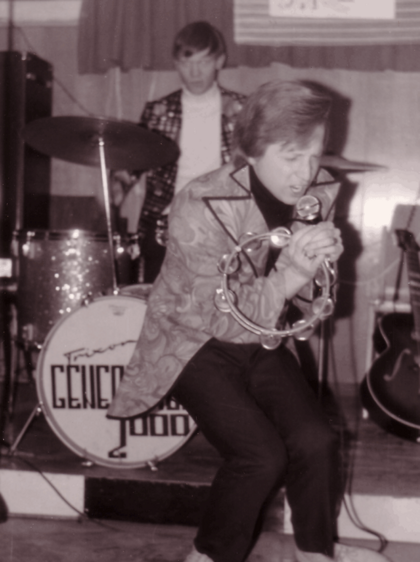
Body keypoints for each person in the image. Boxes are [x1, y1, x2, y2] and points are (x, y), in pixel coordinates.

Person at [108, 80, 390, 562]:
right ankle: (209, 555)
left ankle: (315, 552)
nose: (305, 173)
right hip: (191, 341)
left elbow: (309, 304)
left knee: (316, 441)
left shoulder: (317, 192)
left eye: (314, 155)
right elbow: (221, 315)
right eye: (292, 157)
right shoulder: (200, 201)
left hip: (261, 338)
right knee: (260, 456)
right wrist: (292, 274)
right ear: (253, 150)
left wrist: (320, 267)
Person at [112, 21, 246, 283]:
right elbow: (131, 167)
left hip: (225, 224)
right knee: (160, 299)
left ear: (219, 61)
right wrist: (113, 192)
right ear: (176, 63)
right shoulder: (158, 112)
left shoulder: (241, 110)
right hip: (166, 223)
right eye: (186, 63)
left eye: (204, 62)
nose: (195, 72)